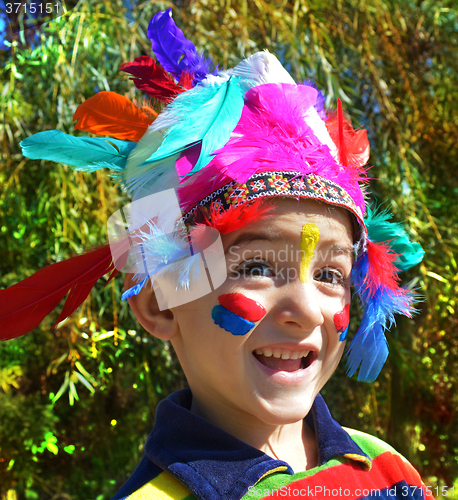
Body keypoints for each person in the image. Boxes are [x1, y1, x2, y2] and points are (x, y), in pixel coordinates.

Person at [0, 8, 430, 500]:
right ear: (159, 302)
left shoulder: (391, 472)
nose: (308, 309)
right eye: (255, 267)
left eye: (331, 274)